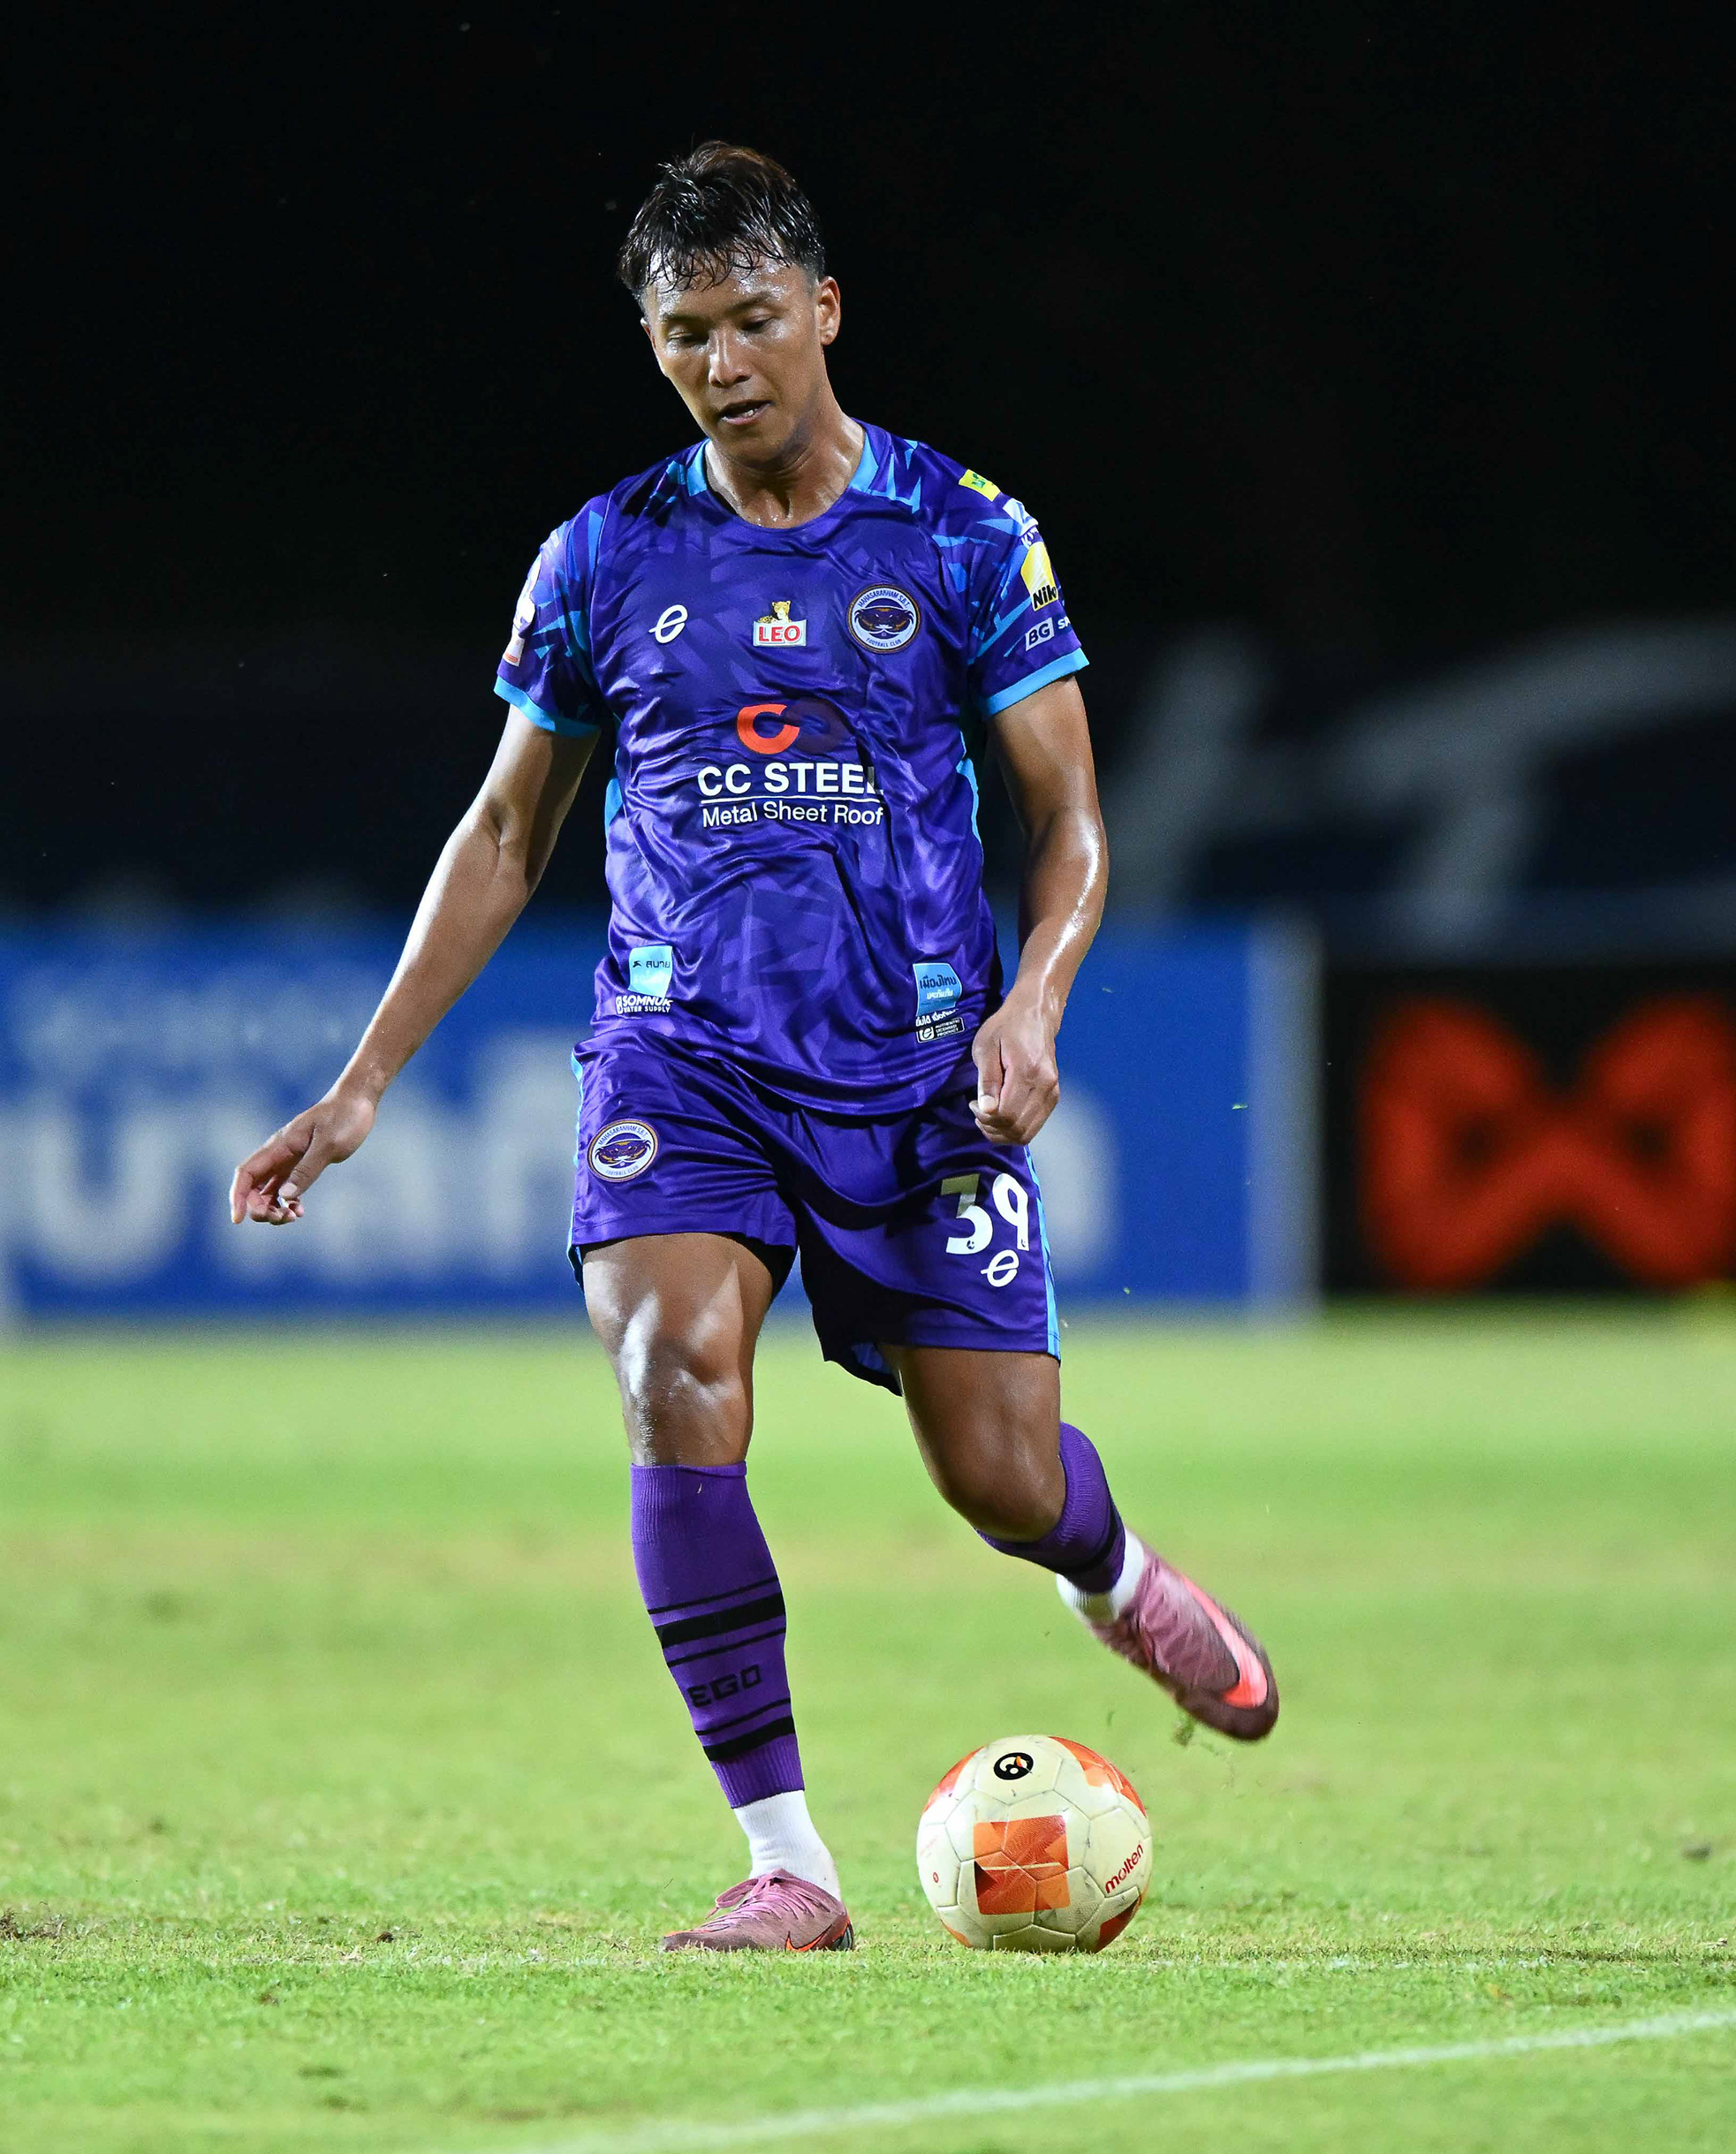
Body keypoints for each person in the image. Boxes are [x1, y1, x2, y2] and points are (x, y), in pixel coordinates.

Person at [232, 143, 1276, 1953]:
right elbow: (507, 830)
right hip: (683, 1054)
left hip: (918, 1072)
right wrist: (364, 1077)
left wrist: (1036, 999)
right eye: (683, 334)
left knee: (998, 1475)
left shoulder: (963, 533)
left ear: (827, 310)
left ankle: (1111, 1572)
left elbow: (1071, 819)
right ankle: (788, 1859)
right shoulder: (604, 556)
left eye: (752, 320)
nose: (721, 363)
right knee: (672, 1365)